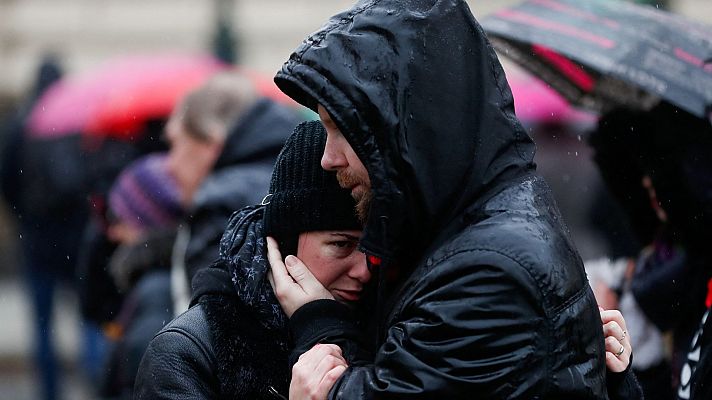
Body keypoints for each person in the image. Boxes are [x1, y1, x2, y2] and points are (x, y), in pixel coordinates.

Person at [266, 1, 642, 398]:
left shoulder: (487, 272)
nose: (329, 158)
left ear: (401, 127)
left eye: (341, 130)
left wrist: (320, 329)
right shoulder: (474, 230)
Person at [134, 121, 368, 399]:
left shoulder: (400, 328)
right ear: (284, 245)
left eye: (374, 247)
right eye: (341, 244)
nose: (364, 271)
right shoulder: (190, 352)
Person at [164, 71, 302, 313]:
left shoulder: (220, 202)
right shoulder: (296, 172)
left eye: (176, 143)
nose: (169, 165)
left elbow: (211, 317)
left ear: (210, 142)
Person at [97, 153, 184, 399]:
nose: (112, 232)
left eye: (117, 218)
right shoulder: (160, 281)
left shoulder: (155, 292)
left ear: (147, 223)